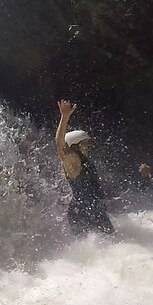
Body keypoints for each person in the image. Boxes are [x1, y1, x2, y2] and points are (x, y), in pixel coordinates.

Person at [55, 99, 114, 236]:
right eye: (85, 143)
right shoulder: (72, 161)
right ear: (74, 145)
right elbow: (59, 143)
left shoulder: (84, 160)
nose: (88, 146)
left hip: (94, 209)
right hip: (81, 211)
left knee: (112, 242)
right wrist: (65, 117)